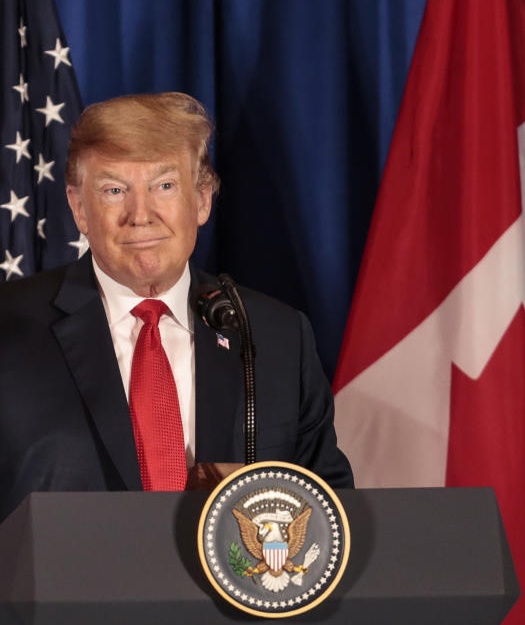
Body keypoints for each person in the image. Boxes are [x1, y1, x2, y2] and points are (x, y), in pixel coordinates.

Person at [0, 92, 352, 522]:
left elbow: (328, 511)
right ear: (79, 209)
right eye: (114, 190)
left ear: (202, 199)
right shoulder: (10, 328)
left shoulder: (276, 335)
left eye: (164, 186)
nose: (140, 214)